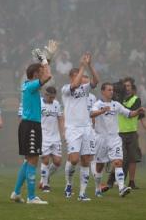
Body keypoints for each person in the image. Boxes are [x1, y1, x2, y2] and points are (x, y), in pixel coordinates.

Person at [91, 82, 145, 198]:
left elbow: (129, 114)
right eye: (109, 90)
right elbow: (91, 114)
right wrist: (102, 111)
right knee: (99, 166)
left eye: (112, 90)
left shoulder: (116, 105)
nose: (111, 92)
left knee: (118, 162)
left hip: (114, 138)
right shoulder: (98, 104)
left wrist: (137, 111)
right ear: (103, 91)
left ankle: (121, 188)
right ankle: (97, 188)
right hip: (101, 138)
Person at [10, 61, 52, 205]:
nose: (43, 73)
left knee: (29, 160)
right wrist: (45, 61)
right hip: (32, 126)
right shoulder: (32, 85)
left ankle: (16, 192)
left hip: (28, 125)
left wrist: (46, 62)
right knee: (33, 160)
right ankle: (32, 197)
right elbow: (48, 76)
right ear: (35, 74)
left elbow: (45, 75)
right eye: (40, 71)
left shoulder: (28, 85)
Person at [62, 53, 99, 201]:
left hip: (87, 128)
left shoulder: (85, 90)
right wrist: (82, 66)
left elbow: (96, 81)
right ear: (72, 76)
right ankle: (69, 184)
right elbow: (76, 85)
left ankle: (82, 193)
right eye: (80, 75)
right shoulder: (66, 89)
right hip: (72, 129)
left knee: (86, 160)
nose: (84, 77)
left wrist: (89, 65)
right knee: (74, 159)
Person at [38, 86, 64, 193]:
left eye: (53, 97)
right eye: (50, 97)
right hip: (43, 136)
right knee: (45, 160)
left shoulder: (56, 104)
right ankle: (45, 184)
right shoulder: (38, 103)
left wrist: (63, 131)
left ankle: (45, 177)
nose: (52, 100)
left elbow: (60, 118)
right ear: (46, 94)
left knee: (58, 162)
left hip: (55, 137)